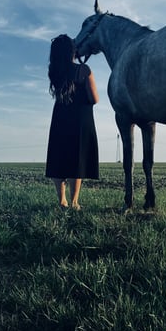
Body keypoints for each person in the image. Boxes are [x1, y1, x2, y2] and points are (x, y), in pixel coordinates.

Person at [45, 34, 100, 210]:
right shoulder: (84, 70)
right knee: (77, 158)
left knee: (59, 157)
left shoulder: (54, 72)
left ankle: (62, 201)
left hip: (60, 116)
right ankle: (74, 202)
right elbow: (95, 99)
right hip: (80, 118)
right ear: (72, 51)